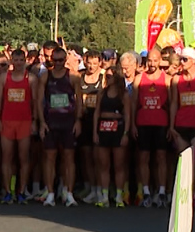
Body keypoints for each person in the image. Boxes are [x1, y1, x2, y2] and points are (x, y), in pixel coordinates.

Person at [35, 47, 81, 207]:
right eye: (56, 60)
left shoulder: (73, 76)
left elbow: (79, 101)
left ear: (66, 60)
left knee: (69, 158)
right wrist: (41, 122)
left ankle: (69, 193)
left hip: (68, 122)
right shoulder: (45, 76)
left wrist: (78, 121)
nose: (59, 63)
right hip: (51, 122)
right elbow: (39, 101)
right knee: (49, 158)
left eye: (62, 60)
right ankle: (50, 193)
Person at [132, 50, 171, 208]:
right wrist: (133, 125)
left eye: (155, 61)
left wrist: (171, 126)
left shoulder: (167, 79)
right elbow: (133, 103)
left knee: (161, 158)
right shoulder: (139, 78)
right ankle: (146, 191)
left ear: (160, 61)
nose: (152, 64)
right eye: (150, 61)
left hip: (161, 123)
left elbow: (172, 104)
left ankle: (161, 191)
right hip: (143, 123)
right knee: (144, 158)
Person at [94, 55, 132, 208]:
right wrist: (95, 132)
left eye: (110, 76)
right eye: (106, 76)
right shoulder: (102, 93)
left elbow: (128, 115)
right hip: (103, 130)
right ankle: (104, 196)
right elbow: (97, 112)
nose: (107, 78)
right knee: (104, 165)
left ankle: (118, 196)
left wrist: (125, 134)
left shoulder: (123, 95)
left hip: (118, 131)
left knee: (119, 165)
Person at [0, 49, 35, 204]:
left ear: (25, 61)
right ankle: (8, 191)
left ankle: (21, 191)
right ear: (11, 61)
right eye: (16, 60)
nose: (19, 63)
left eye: (21, 60)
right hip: (7, 121)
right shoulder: (3, 78)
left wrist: (35, 120)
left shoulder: (31, 78)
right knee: (7, 157)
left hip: (25, 121)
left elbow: (36, 101)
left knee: (23, 158)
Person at [77, 50, 106, 203]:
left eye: (95, 63)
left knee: (99, 158)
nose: (92, 66)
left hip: (99, 121)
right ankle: (91, 188)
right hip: (84, 120)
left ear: (100, 63)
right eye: (89, 63)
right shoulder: (80, 77)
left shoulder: (104, 77)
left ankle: (101, 188)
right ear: (85, 61)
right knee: (86, 157)